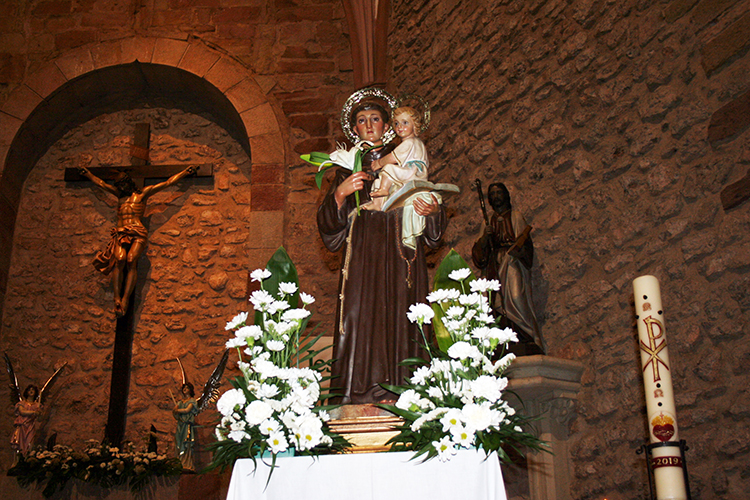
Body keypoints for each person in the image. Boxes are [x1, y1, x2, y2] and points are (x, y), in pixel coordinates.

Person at [317, 98, 447, 404]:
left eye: (375, 119)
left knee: (403, 312)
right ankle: (357, 394)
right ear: (353, 128)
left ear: (387, 126)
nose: (369, 125)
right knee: (360, 313)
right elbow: (329, 226)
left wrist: (430, 210)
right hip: (363, 252)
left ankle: (408, 395)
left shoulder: (408, 154)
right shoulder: (346, 167)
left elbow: (429, 202)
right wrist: (340, 193)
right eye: (361, 121)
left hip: (401, 250)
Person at [78, 165, 197, 316]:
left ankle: (125, 299)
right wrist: (88, 174)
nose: (122, 187)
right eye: (119, 185)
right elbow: (101, 184)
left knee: (131, 259)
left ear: (129, 182)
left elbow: (168, 183)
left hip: (138, 231)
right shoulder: (119, 196)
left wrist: (185, 172)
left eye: (123, 184)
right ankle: (116, 298)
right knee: (119, 259)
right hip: (121, 233)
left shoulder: (142, 195)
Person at [471, 182, 544, 355]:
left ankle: (525, 334)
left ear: (506, 195)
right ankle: (502, 338)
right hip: (493, 267)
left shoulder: (516, 216)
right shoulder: (487, 223)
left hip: (512, 263)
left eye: (499, 192)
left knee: (516, 296)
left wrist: (517, 250)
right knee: (496, 302)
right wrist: (485, 238)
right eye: (493, 194)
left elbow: (524, 243)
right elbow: (479, 255)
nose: (496, 196)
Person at [173, 382, 198, 471]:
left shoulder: (192, 401)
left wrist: (178, 410)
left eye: (187, 388)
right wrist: (175, 411)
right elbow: (175, 413)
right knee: (178, 443)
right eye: (184, 388)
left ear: (190, 390)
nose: (185, 389)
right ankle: (179, 461)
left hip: (187, 425)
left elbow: (187, 410)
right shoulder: (180, 402)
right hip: (180, 425)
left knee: (186, 442)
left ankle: (186, 463)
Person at [11, 385, 41, 456]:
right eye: (29, 390)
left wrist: (39, 412)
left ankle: (28, 457)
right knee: (20, 442)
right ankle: (20, 458)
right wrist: (33, 412)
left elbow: (40, 418)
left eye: (33, 390)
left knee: (30, 442)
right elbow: (22, 412)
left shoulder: (37, 405)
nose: (31, 391)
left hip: (31, 426)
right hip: (22, 426)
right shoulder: (22, 403)